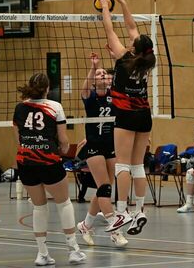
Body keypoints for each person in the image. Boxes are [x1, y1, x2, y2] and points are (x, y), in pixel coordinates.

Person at [97, 0, 156, 236]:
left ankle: (121, 211)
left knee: (122, 164)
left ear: (135, 47)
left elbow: (109, 29)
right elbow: (132, 28)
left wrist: (106, 6)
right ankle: (140, 210)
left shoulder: (124, 58)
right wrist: (123, 4)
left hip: (126, 115)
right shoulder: (148, 61)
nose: (131, 38)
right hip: (144, 115)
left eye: (133, 40)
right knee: (138, 165)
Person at [12, 73, 86, 265]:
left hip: (26, 163)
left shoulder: (19, 108)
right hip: (49, 161)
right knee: (64, 203)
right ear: (47, 89)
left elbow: (18, 139)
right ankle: (73, 250)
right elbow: (63, 140)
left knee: (39, 207)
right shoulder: (55, 106)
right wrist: (62, 150)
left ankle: (42, 254)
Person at [76, 53, 128, 248]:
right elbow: (84, 88)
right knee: (104, 188)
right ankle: (115, 230)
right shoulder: (90, 97)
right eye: (99, 74)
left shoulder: (114, 96)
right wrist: (93, 67)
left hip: (111, 145)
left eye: (104, 74)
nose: (102, 75)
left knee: (104, 189)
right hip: (94, 146)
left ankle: (85, 225)